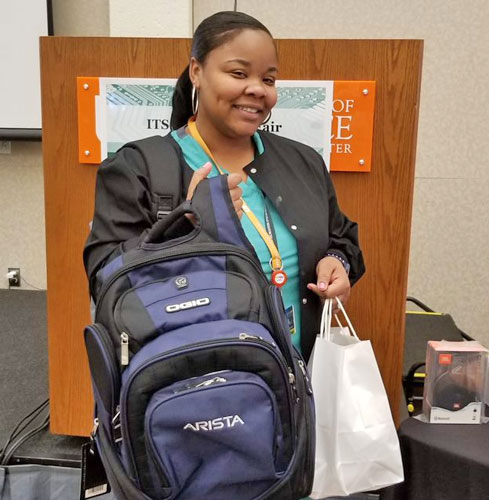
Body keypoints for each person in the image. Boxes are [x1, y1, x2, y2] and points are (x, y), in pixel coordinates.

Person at [83, 11, 365, 361]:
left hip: (297, 381)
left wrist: (336, 261)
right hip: (190, 384)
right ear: (196, 72)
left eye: (269, 79)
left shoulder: (303, 162)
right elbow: (106, 279)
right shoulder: (137, 167)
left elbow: (341, 237)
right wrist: (188, 226)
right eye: (238, 73)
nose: (257, 89)